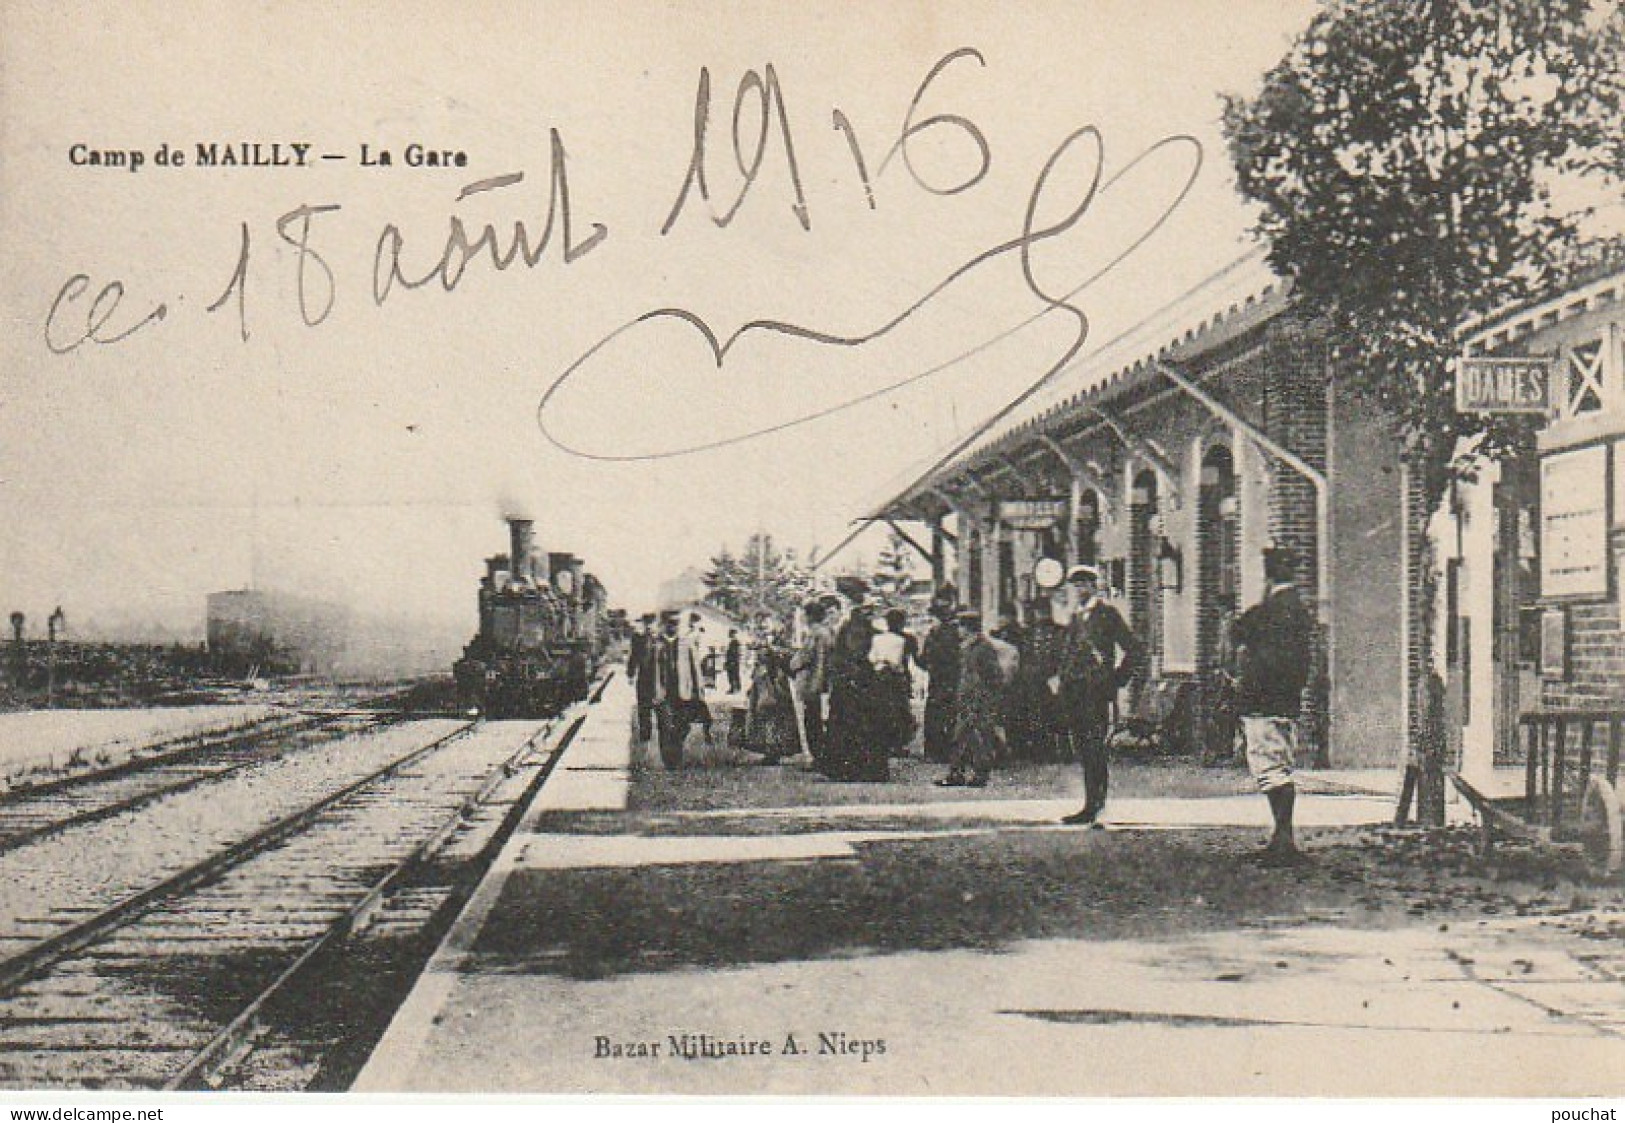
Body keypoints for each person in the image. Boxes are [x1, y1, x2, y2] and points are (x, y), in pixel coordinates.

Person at [1232, 544, 1314, 863]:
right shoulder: (1298, 610)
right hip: (1285, 699)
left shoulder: (1269, 610)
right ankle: (1282, 837)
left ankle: (1283, 839)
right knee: (1278, 765)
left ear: (1269, 575)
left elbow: (1239, 630)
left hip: (1263, 699)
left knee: (1270, 768)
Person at [1057, 564, 1143, 827]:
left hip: (1096, 691)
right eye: (1076, 585)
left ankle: (1098, 806)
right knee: (1082, 748)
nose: (1080, 589)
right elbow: (1069, 653)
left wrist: (1116, 679)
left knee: (1095, 748)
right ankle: (1088, 804)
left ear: (1094, 586)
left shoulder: (1107, 614)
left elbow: (1134, 649)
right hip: (1075, 690)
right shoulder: (1076, 617)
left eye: (1084, 584)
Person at [939, 608, 1003, 788]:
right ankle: (956, 774)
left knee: (980, 738)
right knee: (961, 737)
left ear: (968, 628)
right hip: (967, 699)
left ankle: (979, 775)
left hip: (979, 700)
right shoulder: (968, 647)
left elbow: (994, 675)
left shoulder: (983, 648)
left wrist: (985, 696)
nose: (958, 630)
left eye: (960, 626)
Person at [824, 600, 887, 781]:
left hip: (848, 684)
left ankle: (847, 768)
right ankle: (861, 768)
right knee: (858, 727)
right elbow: (857, 653)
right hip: (855, 684)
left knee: (850, 727)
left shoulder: (850, 629)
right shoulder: (858, 631)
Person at [1008, 596, 1066, 761]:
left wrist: (1057, 676)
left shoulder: (1060, 632)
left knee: (1052, 716)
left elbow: (1062, 656)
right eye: (1038, 612)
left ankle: (1051, 751)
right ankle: (1035, 750)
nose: (1040, 615)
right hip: (1031, 681)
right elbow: (1024, 656)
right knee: (1033, 715)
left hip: (1051, 680)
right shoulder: (1028, 633)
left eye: (1043, 611)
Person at [652, 611, 707, 768]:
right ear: (664, 625)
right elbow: (650, 671)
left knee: (682, 726)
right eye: (670, 623)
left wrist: (699, 691)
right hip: (663, 693)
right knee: (664, 726)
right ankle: (669, 759)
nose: (673, 626)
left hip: (684, 693)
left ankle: (676, 751)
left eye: (676, 623)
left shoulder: (686, 643)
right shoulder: (657, 644)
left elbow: (695, 668)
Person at [742, 628, 799, 763]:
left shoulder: (769, 660)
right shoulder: (776, 656)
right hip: (772, 688)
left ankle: (771, 750)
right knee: (774, 719)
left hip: (769, 689)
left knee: (769, 718)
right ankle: (773, 750)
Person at [791, 599, 834, 768]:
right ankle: (821, 757)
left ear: (809, 616)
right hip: (822, 679)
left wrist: (792, 662)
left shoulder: (814, 634)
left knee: (812, 721)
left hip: (811, 681)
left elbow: (804, 657)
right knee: (817, 720)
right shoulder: (827, 632)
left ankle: (818, 758)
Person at [870, 608, 916, 758]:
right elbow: (914, 658)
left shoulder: (878, 638)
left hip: (881, 677)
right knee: (901, 710)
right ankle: (898, 744)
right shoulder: (908, 639)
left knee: (884, 709)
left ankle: (886, 742)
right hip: (899, 677)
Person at [919, 600, 961, 763]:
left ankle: (937, 751)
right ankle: (942, 750)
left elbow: (930, 658)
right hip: (942, 680)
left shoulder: (940, 636)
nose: (931, 622)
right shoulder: (946, 634)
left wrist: (923, 661)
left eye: (932, 619)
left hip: (943, 680)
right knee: (943, 715)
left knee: (939, 715)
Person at [627, 612, 658, 743]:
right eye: (647, 623)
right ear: (644, 625)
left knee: (661, 707)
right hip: (644, 677)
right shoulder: (638, 638)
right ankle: (645, 735)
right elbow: (633, 656)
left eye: (651, 623)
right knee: (644, 706)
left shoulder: (661, 639)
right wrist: (631, 673)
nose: (649, 626)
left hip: (659, 677)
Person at [725, 629, 743, 694]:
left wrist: (734, 661)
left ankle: (735, 688)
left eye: (730, 633)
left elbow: (736, 653)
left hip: (733, 661)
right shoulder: (733, 642)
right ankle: (736, 688)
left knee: (733, 675)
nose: (729, 635)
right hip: (732, 661)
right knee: (733, 675)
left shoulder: (735, 642)